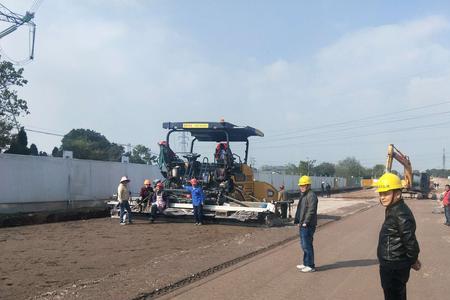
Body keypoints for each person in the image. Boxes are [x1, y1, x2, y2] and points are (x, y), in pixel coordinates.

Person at [376, 173, 421, 300]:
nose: (383, 197)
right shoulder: (393, 208)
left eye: (386, 193)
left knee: (394, 295)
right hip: (391, 263)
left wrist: (413, 260)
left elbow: (410, 240)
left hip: (394, 264)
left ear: (397, 193)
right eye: (381, 194)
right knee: (394, 294)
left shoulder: (401, 213)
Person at [294, 175, 318, 273]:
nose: (301, 187)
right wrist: (298, 221)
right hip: (302, 224)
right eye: (300, 185)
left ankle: (311, 265)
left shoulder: (311, 195)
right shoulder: (304, 195)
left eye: (303, 185)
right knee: (304, 245)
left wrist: (305, 222)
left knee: (307, 245)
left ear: (308, 185)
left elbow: (311, 210)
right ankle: (305, 263)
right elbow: (301, 210)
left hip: (307, 225)